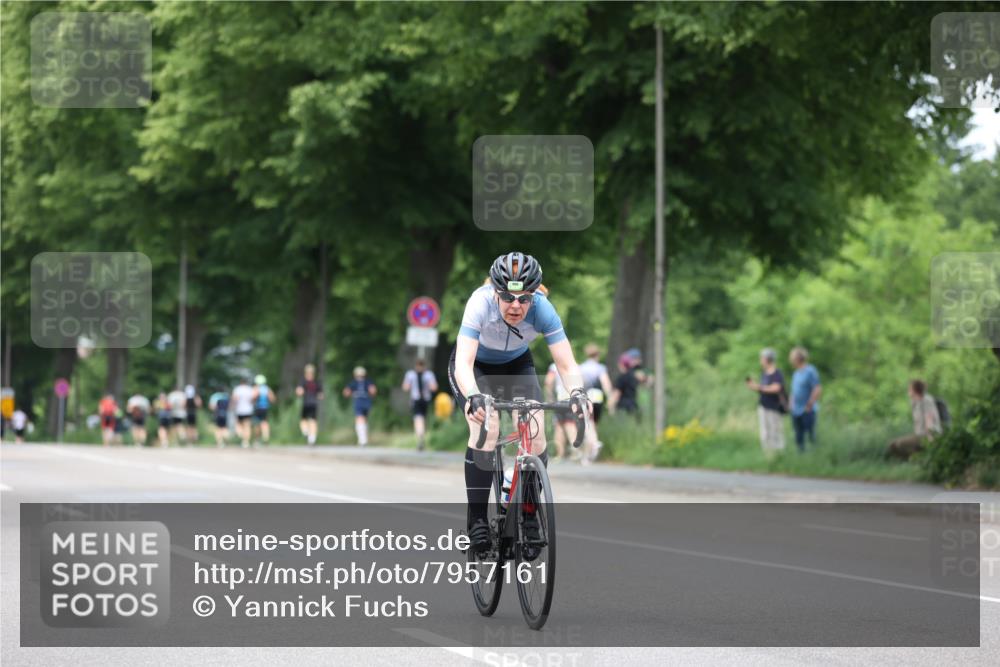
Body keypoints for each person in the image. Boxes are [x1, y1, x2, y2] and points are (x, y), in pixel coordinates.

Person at [447, 251, 590, 554]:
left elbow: (566, 364)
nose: (516, 306)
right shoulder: (479, 302)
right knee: (487, 426)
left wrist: (577, 393)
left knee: (536, 435)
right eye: (508, 298)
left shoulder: (543, 309)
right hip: (476, 368)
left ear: (534, 295)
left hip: (516, 364)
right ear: (496, 292)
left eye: (524, 299)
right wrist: (473, 396)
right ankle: (476, 521)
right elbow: (463, 362)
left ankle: (527, 513)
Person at [887, 380, 943, 460]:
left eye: (910, 389)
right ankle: (911, 462)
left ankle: (918, 460)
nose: (908, 391)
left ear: (915, 390)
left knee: (900, 444)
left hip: (928, 435)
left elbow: (929, 419)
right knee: (892, 444)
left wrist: (930, 437)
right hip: (919, 434)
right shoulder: (914, 402)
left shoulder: (926, 400)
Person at [745, 347, 786, 457]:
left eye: (762, 358)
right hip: (764, 406)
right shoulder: (764, 373)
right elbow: (763, 388)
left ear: (768, 359)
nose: (761, 360)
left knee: (775, 431)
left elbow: (776, 388)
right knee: (765, 432)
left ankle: (778, 454)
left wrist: (759, 387)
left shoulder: (777, 373)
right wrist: (755, 387)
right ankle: (768, 455)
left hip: (774, 407)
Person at [579, 342, 614, 463]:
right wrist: (610, 398)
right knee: (593, 424)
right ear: (597, 354)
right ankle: (588, 454)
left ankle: (593, 445)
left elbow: (580, 384)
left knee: (588, 424)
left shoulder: (582, 367)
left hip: (587, 397)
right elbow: (606, 384)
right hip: (598, 397)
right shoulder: (600, 368)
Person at [789, 346, 822, 451]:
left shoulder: (810, 371)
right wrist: (791, 403)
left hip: (807, 409)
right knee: (798, 435)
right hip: (796, 409)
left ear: (798, 358)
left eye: (792, 358)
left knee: (809, 434)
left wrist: (810, 403)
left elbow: (817, 388)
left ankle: (815, 455)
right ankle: (801, 455)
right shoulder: (796, 373)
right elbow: (794, 390)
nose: (791, 360)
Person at [402, 358, 438, 451]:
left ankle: (420, 436)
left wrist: (428, 384)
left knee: (422, 419)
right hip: (416, 399)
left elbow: (434, 387)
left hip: (425, 399)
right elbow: (405, 387)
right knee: (419, 418)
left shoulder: (428, 375)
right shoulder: (411, 375)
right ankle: (420, 437)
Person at [544, 361, 574, 461]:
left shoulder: (554, 366)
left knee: (560, 426)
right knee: (570, 424)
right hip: (573, 397)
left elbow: (548, 381)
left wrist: (549, 397)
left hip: (561, 398)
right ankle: (575, 451)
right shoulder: (574, 365)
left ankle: (560, 455)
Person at [343, 367, 376, 446]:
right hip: (367, 402)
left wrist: (351, 394)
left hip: (359, 402)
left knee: (359, 419)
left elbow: (345, 392)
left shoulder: (354, 382)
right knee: (363, 419)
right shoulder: (368, 382)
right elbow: (373, 390)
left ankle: (362, 440)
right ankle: (363, 439)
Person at [610, 350, 645, 417]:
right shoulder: (634, 376)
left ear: (622, 364)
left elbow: (617, 393)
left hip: (623, 408)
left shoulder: (622, 378)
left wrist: (611, 405)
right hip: (633, 405)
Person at [296, 364, 324, 446]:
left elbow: (299, 392)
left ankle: (306, 432)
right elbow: (321, 395)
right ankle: (312, 438)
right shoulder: (317, 382)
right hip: (314, 403)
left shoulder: (303, 381)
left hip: (306, 403)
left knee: (303, 420)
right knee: (313, 421)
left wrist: (300, 392)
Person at [231, 378, 256, 448]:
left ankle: (242, 436)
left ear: (240, 382)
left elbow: (234, 399)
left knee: (238, 425)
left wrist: (232, 407)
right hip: (248, 410)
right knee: (247, 426)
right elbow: (254, 398)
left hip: (239, 410)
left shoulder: (237, 389)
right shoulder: (250, 389)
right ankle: (246, 442)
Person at [252, 374, 276, 445]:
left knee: (257, 424)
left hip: (258, 408)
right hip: (265, 408)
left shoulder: (256, 388)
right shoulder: (267, 389)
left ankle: (257, 440)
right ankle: (266, 438)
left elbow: (253, 398)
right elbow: (273, 399)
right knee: (265, 423)